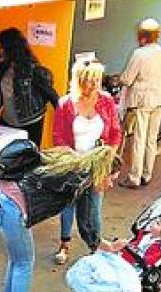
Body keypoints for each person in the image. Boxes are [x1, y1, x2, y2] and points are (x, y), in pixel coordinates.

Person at [0, 144, 121, 292]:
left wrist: (99, 242)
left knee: (17, 261)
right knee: (23, 264)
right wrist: (101, 244)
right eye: (111, 179)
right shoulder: (84, 179)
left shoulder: (70, 159)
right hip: (11, 206)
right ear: (102, 172)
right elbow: (87, 221)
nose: (110, 185)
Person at [52, 58, 121, 264]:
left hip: (98, 165)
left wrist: (109, 159)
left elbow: (116, 132)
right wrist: (70, 159)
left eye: (97, 81)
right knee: (68, 205)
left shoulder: (106, 101)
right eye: (89, 81)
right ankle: (64, 243)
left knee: (94, 207)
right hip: (73, 164)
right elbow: (58, 137)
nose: (94, 86)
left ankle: (95, 247)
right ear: (79, 80)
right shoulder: (65, 104)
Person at [118, 17, 161, 189]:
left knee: (139, 138)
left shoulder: (139, 54)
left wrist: (119, 78)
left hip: (142, 100)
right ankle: (147, 174)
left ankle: (134, 176)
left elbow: (127, 78)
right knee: (152, 139)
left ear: (142, 36)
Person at [0, 27, 60, 147]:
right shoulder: (6, 66)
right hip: (7, 120)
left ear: (9, 49)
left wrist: (64, 119)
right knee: (6, 157)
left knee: (28, 158)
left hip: (30, 122)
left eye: (1, 46)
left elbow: (52, 95)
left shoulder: (32, 70)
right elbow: (8, 84)